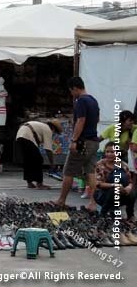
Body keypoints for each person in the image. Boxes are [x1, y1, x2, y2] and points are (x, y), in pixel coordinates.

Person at [55, 76, 100, 211]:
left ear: (74, 88)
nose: (71, 94)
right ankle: (93, 203)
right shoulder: (93, 100)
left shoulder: (81, 101)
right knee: (90, 172)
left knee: (68, 171)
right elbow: (98, 119)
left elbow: (81, 120)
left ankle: (61, 200)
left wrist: (74, 140)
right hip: (93, 140)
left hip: (82, 142)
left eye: (71, 91)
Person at [16, 119, 63, 189]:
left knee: (28, 160)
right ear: (53, 129)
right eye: (55, 132)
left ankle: (29, 182)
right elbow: (48, 149)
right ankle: (39, 183)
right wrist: (52, 164)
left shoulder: (42, 126)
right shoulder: (48, 130)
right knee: (39, 159)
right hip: (27, 135)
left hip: (20, 135)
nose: (54, 134)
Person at [94, 142, 134, 219]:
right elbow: (99, 184)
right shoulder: (100, 164)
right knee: (113, 190)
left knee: (133, 193)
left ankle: (130, 215)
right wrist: (114, 185)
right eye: (107, 152)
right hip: (102, 195)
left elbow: (130, 182)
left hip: (120, 194)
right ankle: (102, 214)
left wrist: (128, 188)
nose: (109, 154)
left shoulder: (123, 165)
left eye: (112, 152)